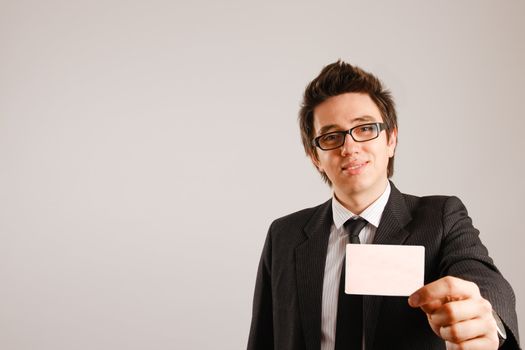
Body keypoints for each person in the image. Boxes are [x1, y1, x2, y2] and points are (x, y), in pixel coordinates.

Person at [247, 60, 520, 350]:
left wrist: (486, 315)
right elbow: (264, 337)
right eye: (330, 136)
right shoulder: (284, 235)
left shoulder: (441, 218)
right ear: (315, 157)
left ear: (391, 139)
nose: (349, 147)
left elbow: (482, 278)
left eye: (364, 129)